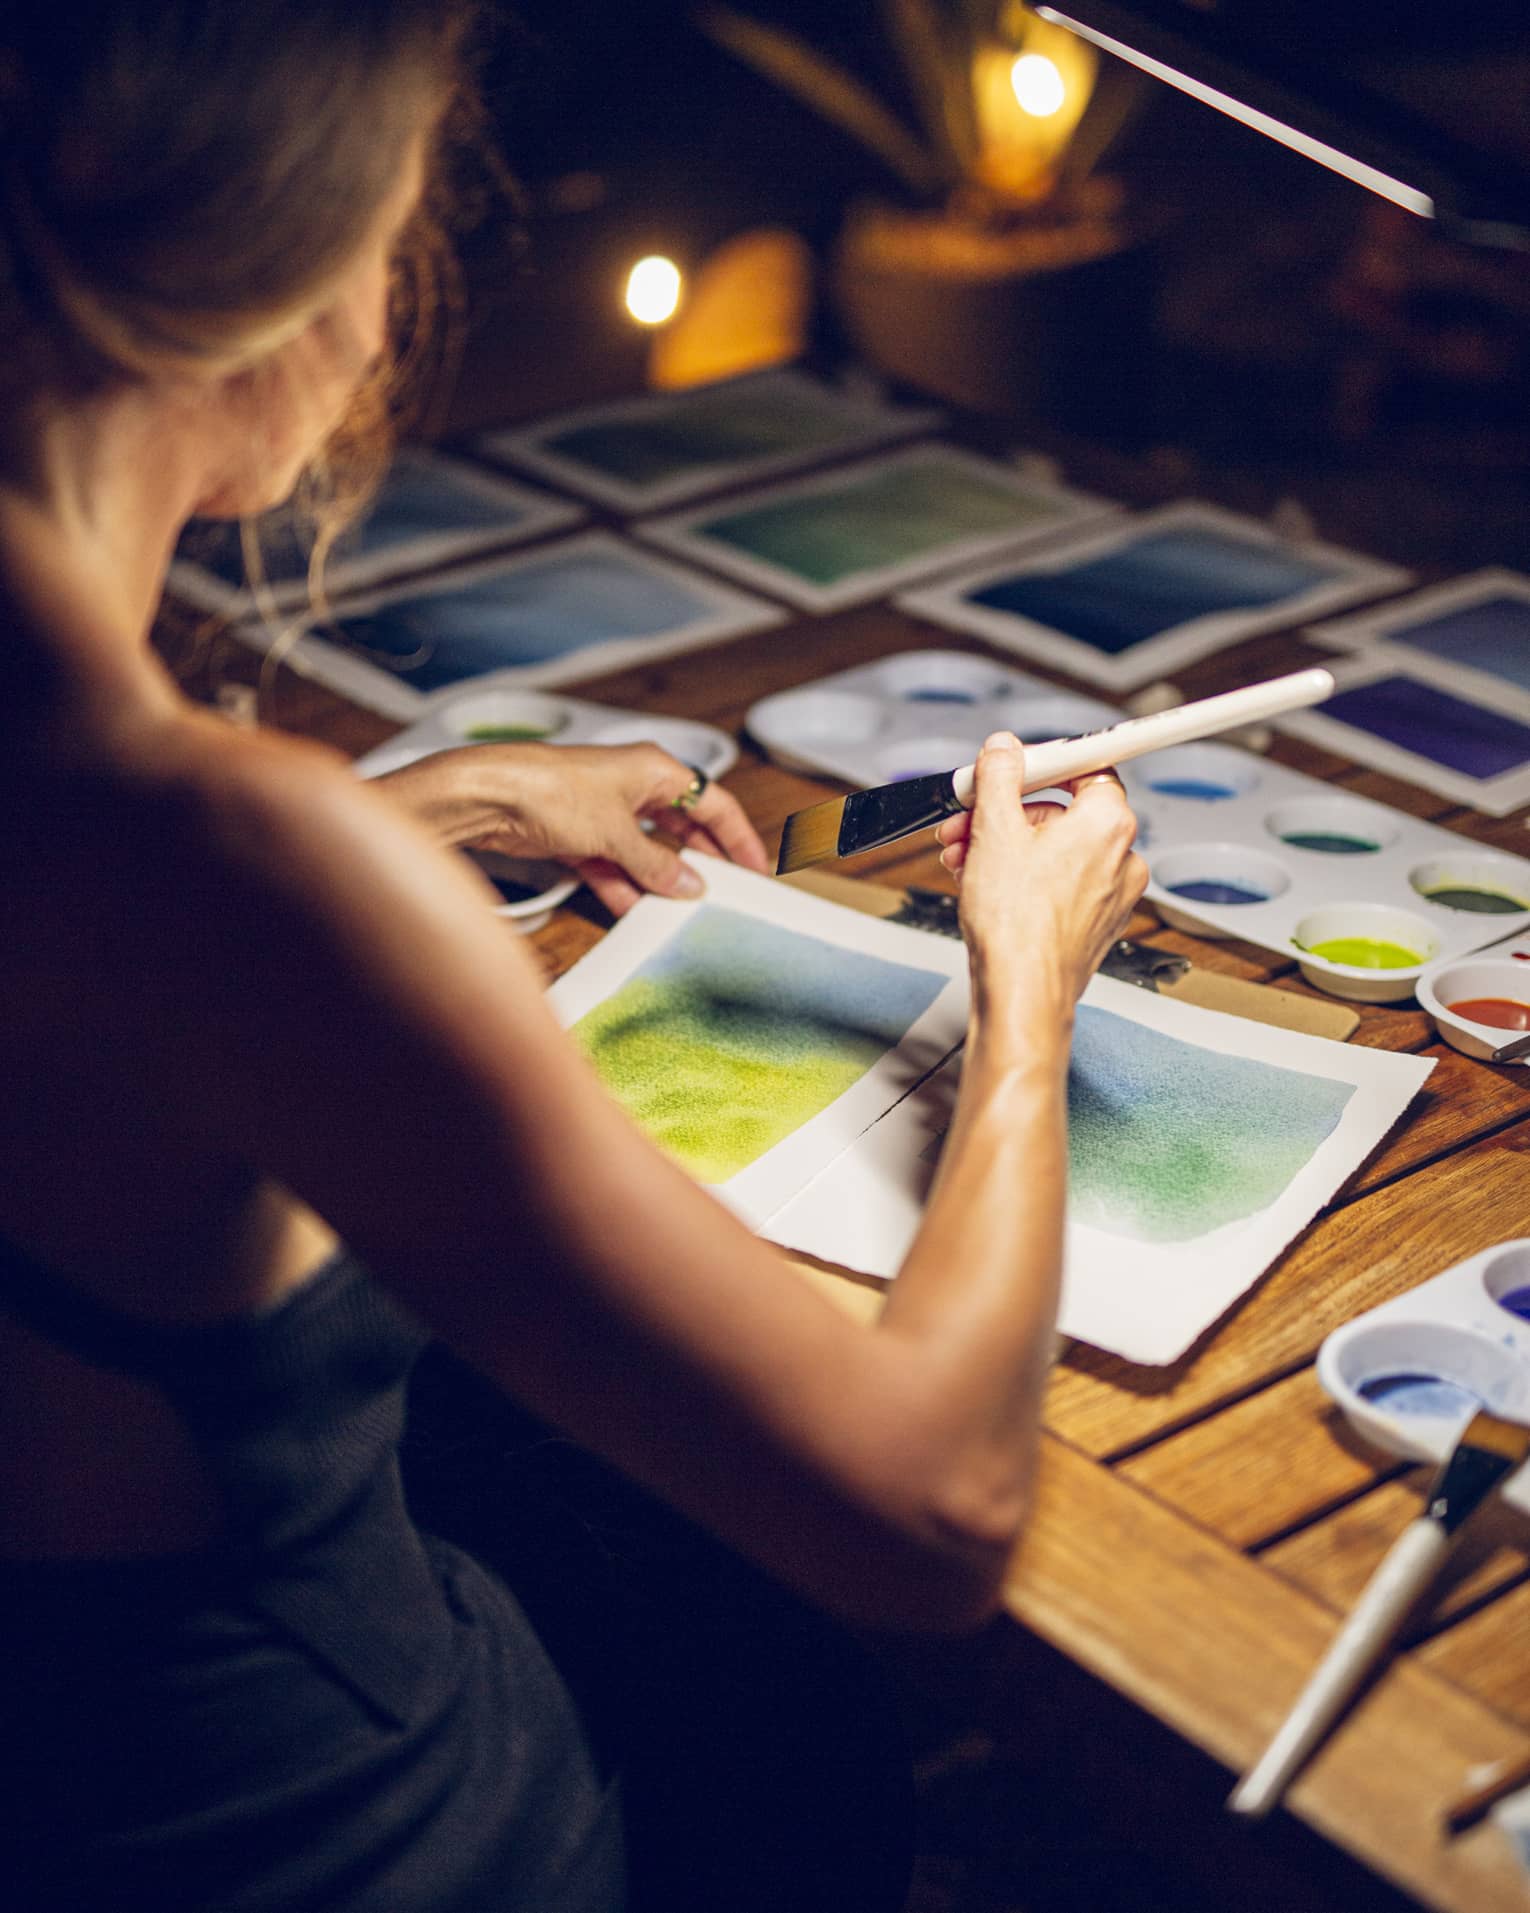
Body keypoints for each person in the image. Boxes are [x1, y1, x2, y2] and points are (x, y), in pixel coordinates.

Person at [0, 5, 1147, 1909]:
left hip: (80, 1758)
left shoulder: (149, 830)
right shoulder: (234, 862)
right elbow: (934, 1513)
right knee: (797, 1685)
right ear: (282, 288)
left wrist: (428, 802)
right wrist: (1023, 989)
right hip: (327, 1839)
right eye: (397, 227)